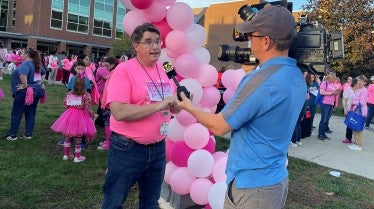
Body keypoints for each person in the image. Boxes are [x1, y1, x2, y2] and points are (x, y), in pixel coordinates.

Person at [177, 5, 306, 209]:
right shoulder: (296, 75)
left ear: (266, 41)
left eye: (251, 35)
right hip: (274, 180)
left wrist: (190, 107)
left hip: (252, 189)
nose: (248, 39)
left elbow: (219, 126)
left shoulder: (261, 80)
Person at [101, 23, 181, 209]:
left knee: (150, 203)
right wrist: (160, 105)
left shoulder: (167, 67)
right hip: (127, 149)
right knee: (114, 202)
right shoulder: (123, 70)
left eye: (157, 42)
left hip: (158, 148)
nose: (155, 47)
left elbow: (173, 105)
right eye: (148, 42)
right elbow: (119, 112)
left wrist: (179, 104)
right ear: (136, 46)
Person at [51, 71, 97, 162]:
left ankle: (66, 155)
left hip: (69, 115)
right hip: (81, 116)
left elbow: (65, 105)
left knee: (67, 136)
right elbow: (87, 108)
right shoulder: (86, 95)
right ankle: (77, 157)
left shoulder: (69, 94)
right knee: (78, 137)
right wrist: (93, 115)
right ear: (85, 84)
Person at [6, 48, 45, 141]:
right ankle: (28, 134)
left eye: (22, 53)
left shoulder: (26, 64)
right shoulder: (36, 64)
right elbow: (43, 73)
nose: (21, 55)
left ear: (27, 55)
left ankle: (12, 135)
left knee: (16, 113)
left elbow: (22, 74)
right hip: (35, 91)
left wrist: (24, 85)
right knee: (31, 112)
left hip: (24, 93)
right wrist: (38, 83)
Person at [97, 56, 118, 150]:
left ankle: (109, 143)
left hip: (108, 103)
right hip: (107, 102)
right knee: (107, 123)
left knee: (108, 124)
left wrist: (104, 102)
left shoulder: (114, 74)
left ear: (113, 65)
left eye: (107, 65)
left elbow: (109, 90)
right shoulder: (112, 73)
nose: (105, 68)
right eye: (104, 65)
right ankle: (108, 140)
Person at [344, 75, 368, 150]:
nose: (360, 82)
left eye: (362, 81)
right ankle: (355, 142)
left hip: (360, 112)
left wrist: (353, 102)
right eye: (359, 81)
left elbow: (362, 102)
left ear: (364, 82)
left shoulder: (364, 90)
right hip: (355, 111)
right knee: (354, 127)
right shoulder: (358, 89)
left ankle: (358, 145)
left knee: (358, 128)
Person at [317, 72, 341, 140]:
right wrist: (332, 93)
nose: (334, 79)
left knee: (327, 119)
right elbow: (321, 92)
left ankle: (323, 133)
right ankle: (320, 134)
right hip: (325, 103)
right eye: (333, 78)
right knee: (323, 119)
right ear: (330, 77)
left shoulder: (333, 84)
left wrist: (337, 92)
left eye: (334, 78)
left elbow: (334, 93)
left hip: (331, 103)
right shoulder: (325, 83)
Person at [342, 78, 358, 144]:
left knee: (356, 124)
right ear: (354, 83)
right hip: (349, 109)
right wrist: (345, 109)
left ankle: (357, 139)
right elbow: (344, 100)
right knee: (349, 124)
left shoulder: (360, 90)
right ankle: (348, 138)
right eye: (358, 84)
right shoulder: (348, 89)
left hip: (358, 111)